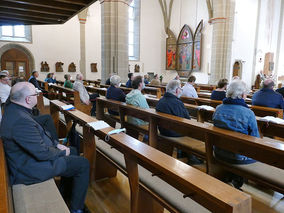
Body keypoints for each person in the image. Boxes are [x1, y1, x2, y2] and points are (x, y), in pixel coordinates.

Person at [0, 82, 90, 213]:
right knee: (83, 164)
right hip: (30, 169)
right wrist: (61, 151)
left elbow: (36, 139)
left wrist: (55, 144)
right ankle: (77, 209)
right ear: (28, 99)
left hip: (27, 159)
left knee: (74, 151)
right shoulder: (20, 120)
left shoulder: (13, 108)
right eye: (35, 94)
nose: (37, 95)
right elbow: (41, 153)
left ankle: (66, 193)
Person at [213, 80, 259, 188]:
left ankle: (229, 176)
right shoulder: (248, 113)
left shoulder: (218, 109)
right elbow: (255, 139)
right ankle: (237, 179)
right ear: (243, 95)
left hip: (218, 152)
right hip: (238, 157)